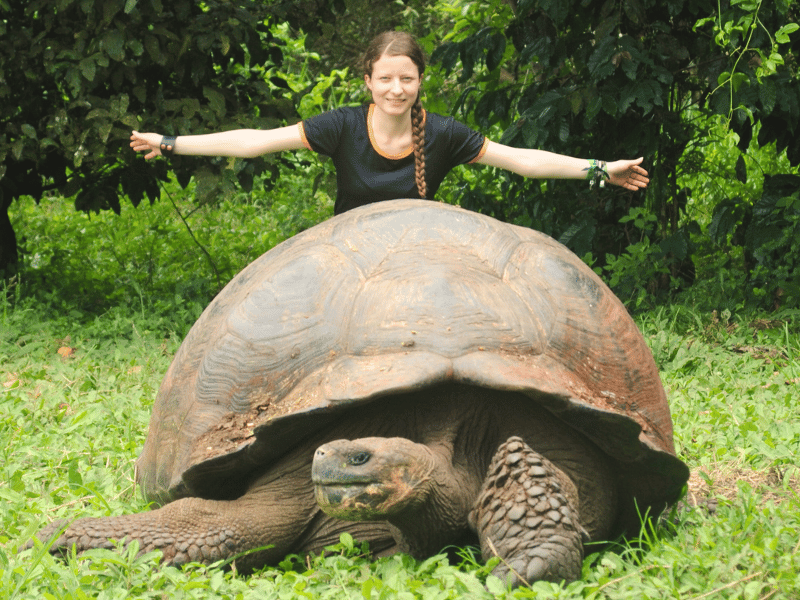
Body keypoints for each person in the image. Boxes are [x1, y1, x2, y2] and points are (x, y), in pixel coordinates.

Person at [130, 31, 649, 215]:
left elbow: (522, 161)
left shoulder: (443, 133)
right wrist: (170, 142)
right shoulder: (342, 126)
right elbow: (254, 143)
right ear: (368, 81)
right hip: (348, 253)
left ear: (421, 80)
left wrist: (600, 169)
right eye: (386, 79)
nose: (397, 89)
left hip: (418, 252)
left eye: (407, 79)